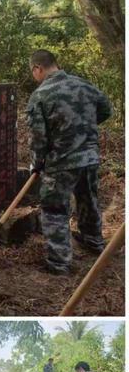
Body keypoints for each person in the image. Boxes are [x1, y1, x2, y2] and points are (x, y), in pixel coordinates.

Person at [26, 49, 112, 274]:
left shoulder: (41, 95)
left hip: (61, 162)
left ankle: (59, 262)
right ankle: (94, 241)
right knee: (88, 199)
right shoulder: (83, 85)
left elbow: (38, 139)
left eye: (33, 72)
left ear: (38, 68)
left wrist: (37, 162)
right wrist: (83, 129)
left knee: (54, 209)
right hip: (90, 157)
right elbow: (105, 109)